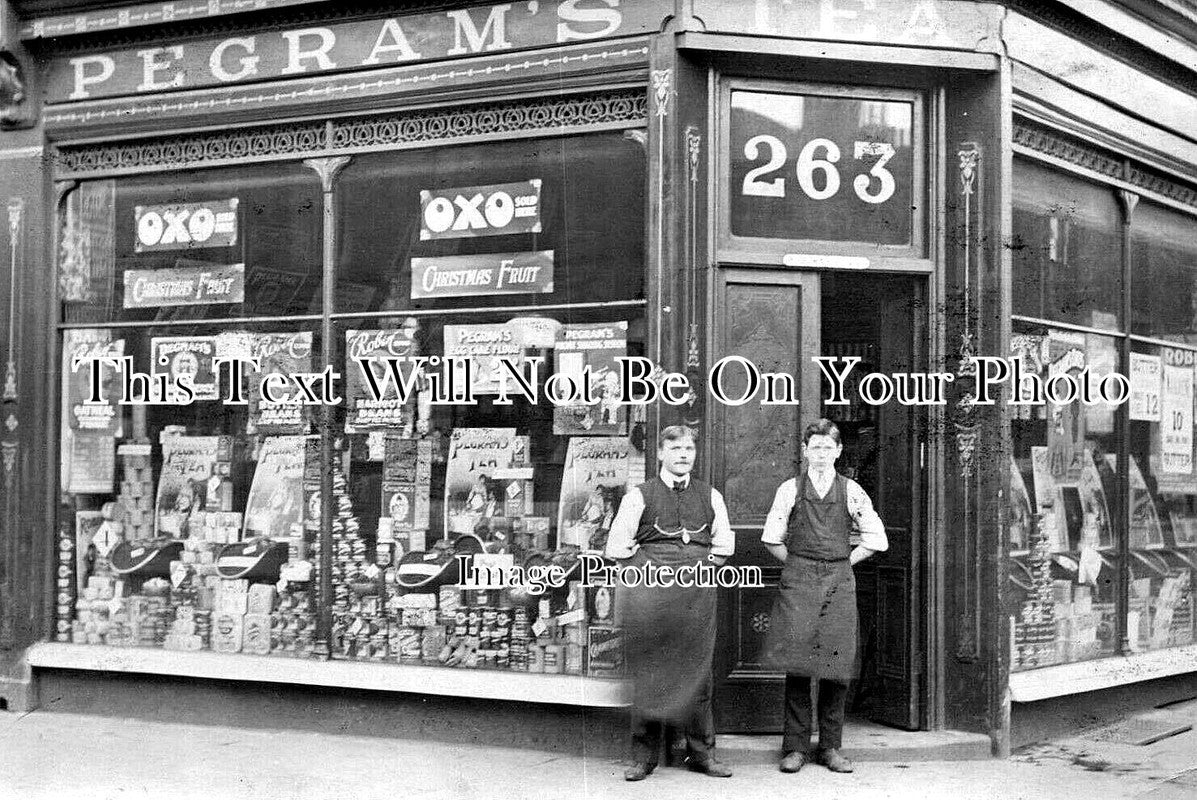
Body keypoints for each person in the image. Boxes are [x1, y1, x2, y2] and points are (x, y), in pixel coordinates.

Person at [604, 425, 735, 781]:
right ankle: (643, 757)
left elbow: (724, 546)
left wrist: (699, 569)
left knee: (698, 673)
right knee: (648, 670)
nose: (682, 454)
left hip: (696, 599)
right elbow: (616, 547)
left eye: (688, 448)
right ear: (660, 453)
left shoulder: (711, 496)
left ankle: (702, 753)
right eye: (675, 448)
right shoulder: (639, 496)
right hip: (651, 599)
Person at [761, 418, 888, 775]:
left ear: (838, 451)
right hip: (799, 583)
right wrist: (800, 565)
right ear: (805, 451)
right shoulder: (789, 489)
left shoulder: (852, 491)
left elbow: (877, 538)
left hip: (838, 581)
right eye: (814, 447)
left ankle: (831, 747)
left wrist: (845, 561)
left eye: (827, 448)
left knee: (836, 666)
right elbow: (772, 538)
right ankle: (796, 748)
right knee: (799, 665)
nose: (820, 454)